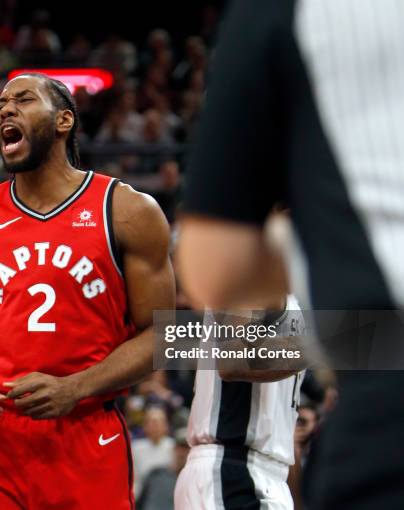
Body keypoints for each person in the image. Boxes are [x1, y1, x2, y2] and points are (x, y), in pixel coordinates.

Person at [176, 1, 404, 508]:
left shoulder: (310, 256)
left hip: (263, 469)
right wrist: (354, 342)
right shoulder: (266, 251)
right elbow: (235, 359)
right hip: (232, 466)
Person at [0, 72, 175, 509]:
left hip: (84, 436)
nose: (5, 110)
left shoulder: (126, 211)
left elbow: (161, 335)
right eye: (1, 104)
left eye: (23, 100)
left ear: (64, 121)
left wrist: (76, 388)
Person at [175, 295, 304, 509]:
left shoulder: (291, 297)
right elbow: (233, 360)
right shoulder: (256, 272)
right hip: (233, 471)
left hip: (261, 474)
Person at [132, 406, 175, 496]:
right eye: (152, 422)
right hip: (142, 498)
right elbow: (134, 480)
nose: (156, 425)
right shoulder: (135, 448)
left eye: (159, 421)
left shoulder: (174, 447)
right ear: (144, 426)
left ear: (166, 426)